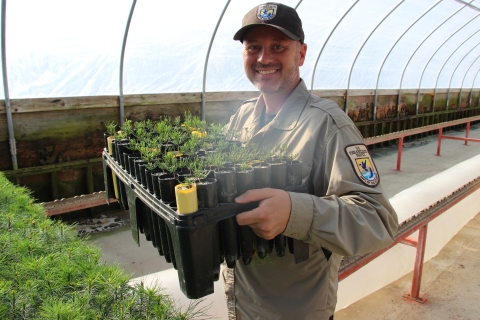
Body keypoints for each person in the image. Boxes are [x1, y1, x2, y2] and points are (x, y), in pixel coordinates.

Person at [222, 2, 399, 320]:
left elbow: (378, 221)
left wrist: (295, 212)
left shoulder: (329, 125)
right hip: (242, 302)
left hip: (294, 310)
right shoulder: (242, 116)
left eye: (278, 46)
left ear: (300, 54)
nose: (264, 58)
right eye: (254, 47)